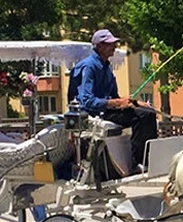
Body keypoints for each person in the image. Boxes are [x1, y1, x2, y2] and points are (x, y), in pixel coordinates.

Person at [67, 29, 158, 173]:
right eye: (110, 44)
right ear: (100, 46)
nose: (114, 47)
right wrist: (116, 103)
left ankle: (149, 158)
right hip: (94, 113)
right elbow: (87, 101)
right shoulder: (89, 66)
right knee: (141, 116)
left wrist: (134, 102)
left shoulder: (106, 66)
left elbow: (115, 96)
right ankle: (137, 163)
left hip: (107, 109)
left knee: (148, 112)